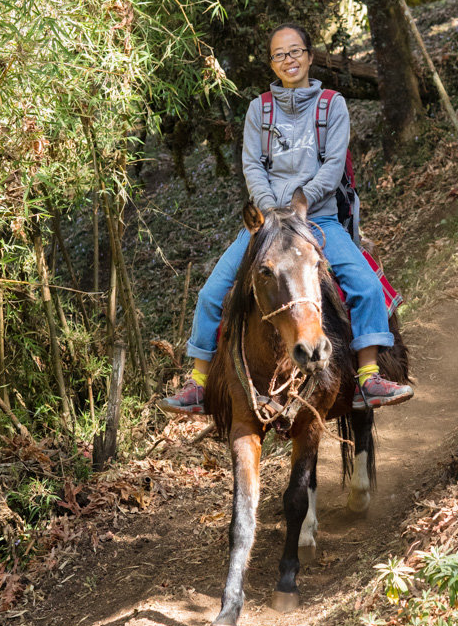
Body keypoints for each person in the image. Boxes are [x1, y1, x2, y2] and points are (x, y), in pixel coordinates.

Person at [161, 22, 413, 415]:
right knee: (211, 294)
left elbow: (333, 165)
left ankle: (368, 378)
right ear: (271, 63)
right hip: (267, 226)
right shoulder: (259, 110)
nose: (288, 59)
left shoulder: (332, 105)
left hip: (318, 221)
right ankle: (199, 383)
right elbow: (252, 165)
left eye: (295, 51)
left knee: (365, 286)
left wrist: (302, 203)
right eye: (279, 54)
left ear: (310, 57)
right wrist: (270, 211)